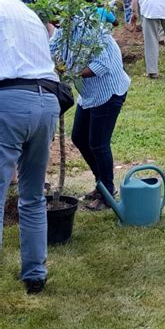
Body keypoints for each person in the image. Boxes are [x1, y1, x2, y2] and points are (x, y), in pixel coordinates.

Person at [0, 0, 60, 294]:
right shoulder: (29, 14)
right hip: (46, 102)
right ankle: (35, 275)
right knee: (33, 194)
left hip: (9, 101)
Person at [49, 17, 130, 211]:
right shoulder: (64, 28)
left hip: (108, 92)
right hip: (88, 94)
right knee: (79, 137)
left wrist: (69, 73)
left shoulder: (93, 29)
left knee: (98, 144)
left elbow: (101, 66)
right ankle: (100, 183)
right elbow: (52, 48)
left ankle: (107, 193)